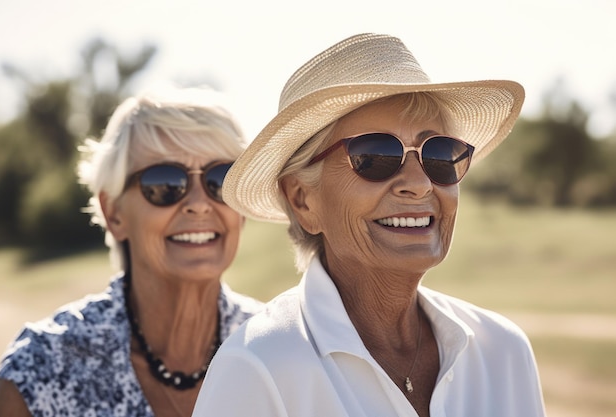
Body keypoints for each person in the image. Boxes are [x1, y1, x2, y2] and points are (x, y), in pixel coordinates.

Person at [191, 33, 546, 417]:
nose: (419, 183)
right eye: (376, 155)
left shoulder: (505, 353)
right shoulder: (257, 367)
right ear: (302, 199)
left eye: (440, 154)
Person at [0, 87, 264, 417]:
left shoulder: (280, 349)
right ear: (113, 212)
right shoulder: (41, 369)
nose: (198, 204)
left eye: (221, 179)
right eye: (165, 182)